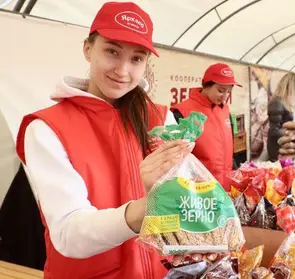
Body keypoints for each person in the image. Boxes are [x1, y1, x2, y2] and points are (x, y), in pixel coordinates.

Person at [14, 2, 197, 278]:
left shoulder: (161, 119)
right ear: (88, 49)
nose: (122, 70)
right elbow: (68, 233)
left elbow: (180, 206)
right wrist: (140, 212)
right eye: (112, 51)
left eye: (136, 59)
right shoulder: (47, 128)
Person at [171, 63, 240, 191]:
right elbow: (176, 160)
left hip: (225, 190)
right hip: (199, 191)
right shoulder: (182, 112)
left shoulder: (225, 110)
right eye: (220, 90)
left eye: (228, 92)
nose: (225, 96)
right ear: (206, 85)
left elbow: (229, 152)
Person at [267, 73, 295, 162]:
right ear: (291, 86)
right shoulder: (277, 102)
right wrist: (292, 133)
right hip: (277, 147)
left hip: (282, 145)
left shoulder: (283, 100)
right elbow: (274, 130)